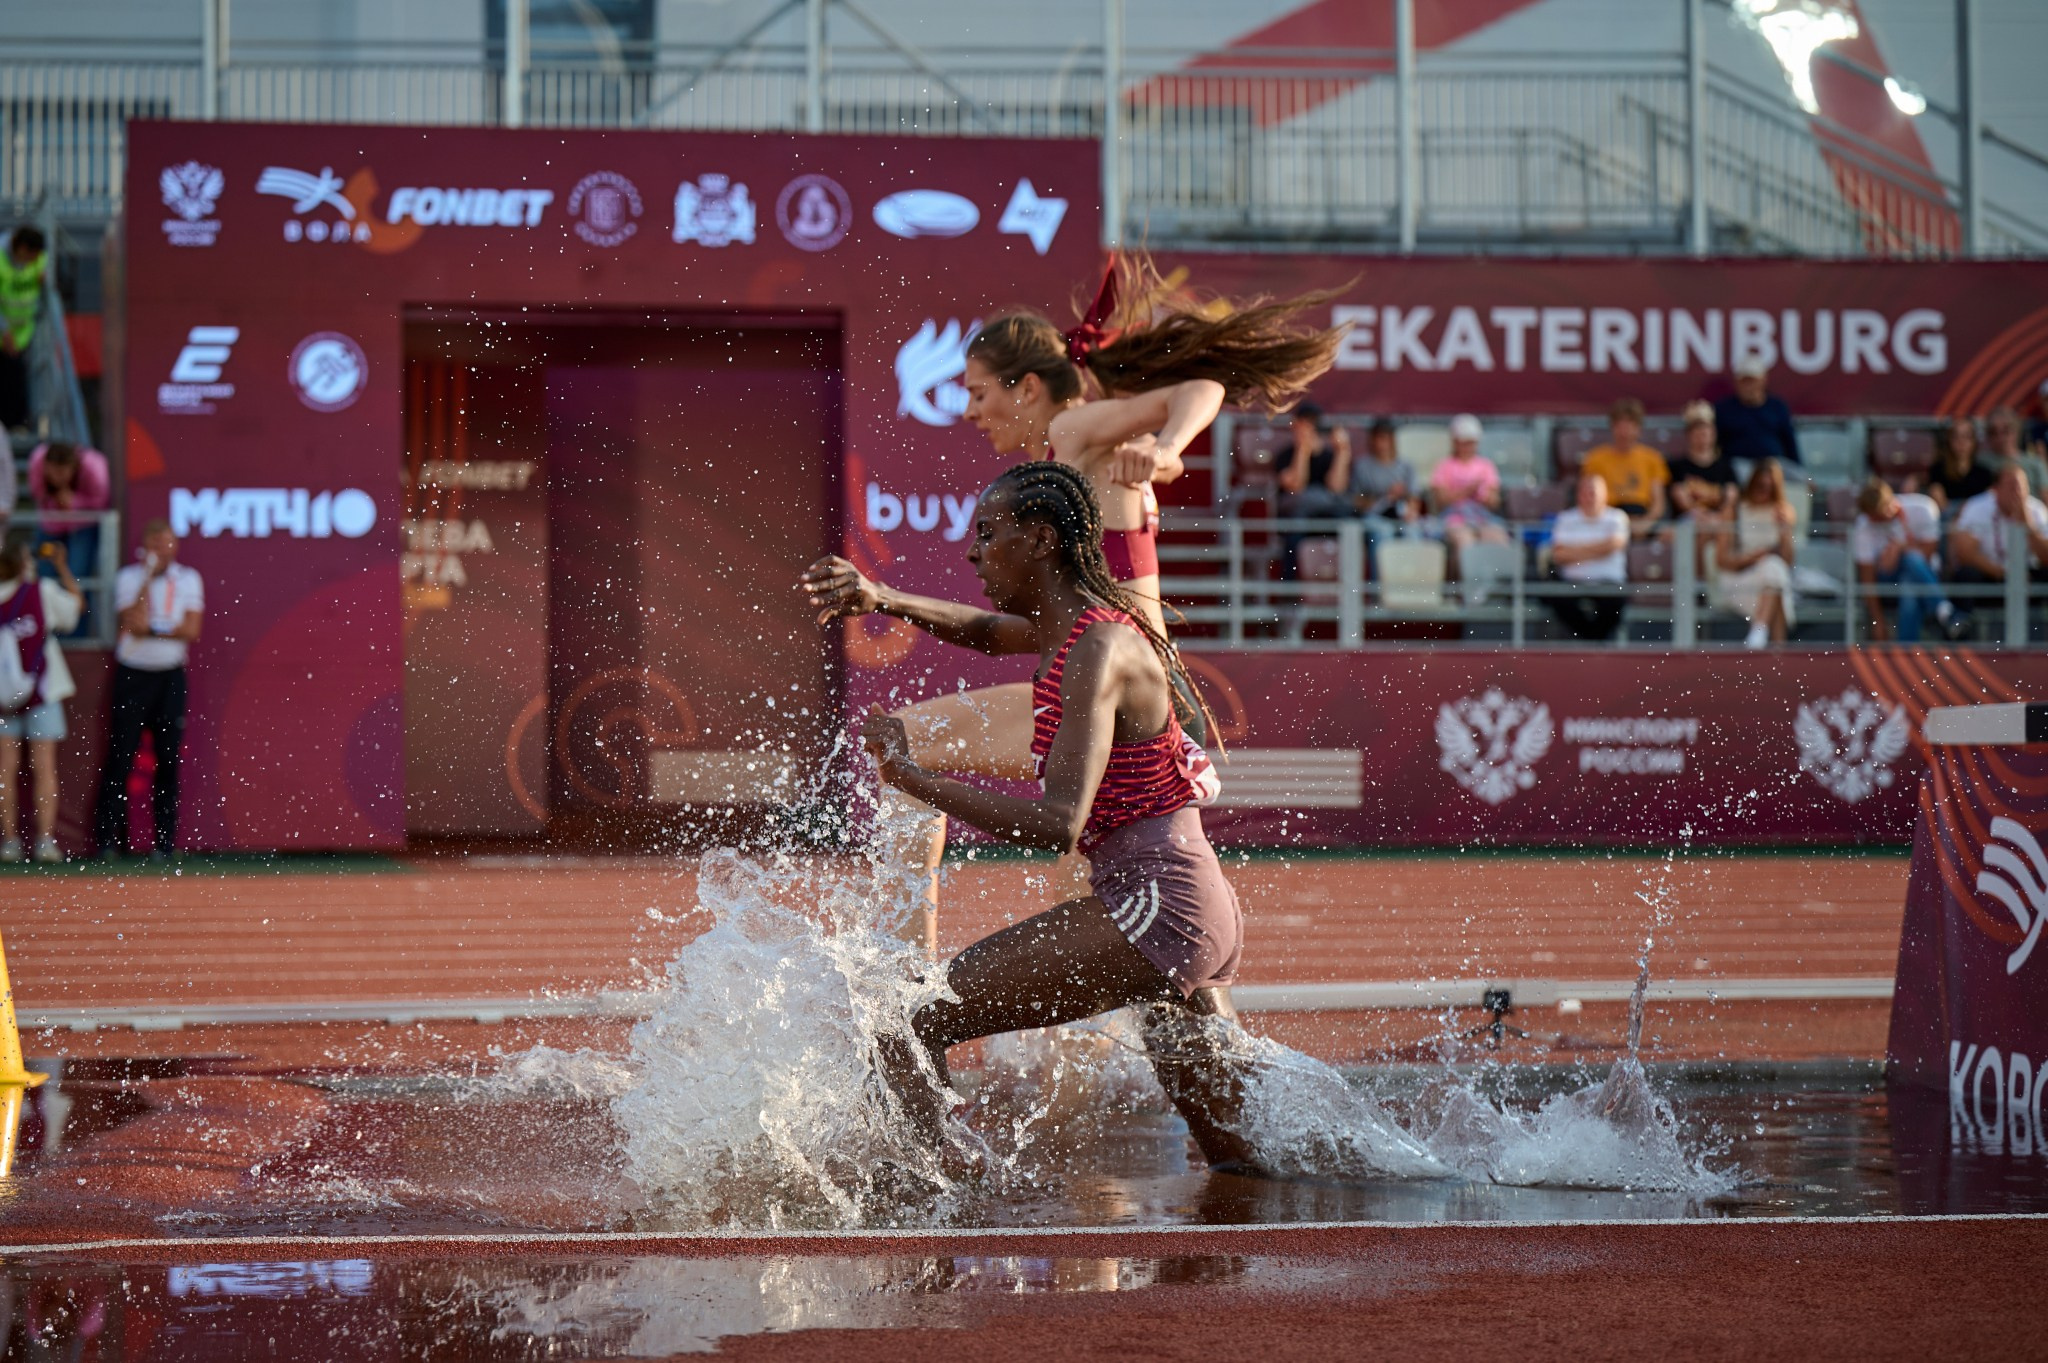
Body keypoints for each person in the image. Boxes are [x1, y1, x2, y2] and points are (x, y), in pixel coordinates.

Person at [883, 255, 1343, 954]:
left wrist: (1163, 447)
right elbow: (1018, 629)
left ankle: (901, 980)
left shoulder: (1074, 433)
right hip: (1119, 693)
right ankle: (942, 1002)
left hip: (1121, 696)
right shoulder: (1067, 463)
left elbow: (1200, 386)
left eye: (977, 392)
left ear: (1028, 386)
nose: (969, 410)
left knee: (906, 749)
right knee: (1099, 923)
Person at [800, 460, 1250, 1169]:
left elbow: (1058, 825)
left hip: (1157, 907)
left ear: (1040, 539)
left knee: (911, 1016)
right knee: (1241, 1153)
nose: (973, 552)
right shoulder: (1076, 630)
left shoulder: (1095, 648)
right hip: (1182, 904)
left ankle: (933, 1205)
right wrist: (878, 595)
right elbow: (981, 630)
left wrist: (914, 777)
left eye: (988, 534)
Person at [94, 520, 203, 861]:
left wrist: (154, 631)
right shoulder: (129, 577)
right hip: (133, 674)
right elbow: (131, 621)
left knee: (168, 761)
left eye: (166, 543)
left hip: (169, 676)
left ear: (176, 546)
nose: (161, 550)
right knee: (120, 758)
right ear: (145, 547)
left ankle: (164, 844)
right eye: (155, 544)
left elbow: (190, 628)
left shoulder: (188, 579)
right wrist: (147, 578)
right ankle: (108, 842)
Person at [0, 532, 81, 862]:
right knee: (44, 767)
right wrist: (62, 568)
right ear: (24, 563)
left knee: (5, 769)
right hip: (43, 690)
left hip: (2, 696)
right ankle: (45, 841)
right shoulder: (39, 591)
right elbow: (76, 610)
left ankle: (9, 843)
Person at [1852, 478, 1959, 644]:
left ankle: (1905, 651)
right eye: (1876, 517)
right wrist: (1878, 620)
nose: (1882, 519)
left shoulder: (1923, 508)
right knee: (1911, 564)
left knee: (1910, 582)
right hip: (1887, 580)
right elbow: (1868, 578)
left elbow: (1928, 554)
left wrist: (1901, 548)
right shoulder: (1863, 526)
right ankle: (1944, 610)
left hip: (1922, 574)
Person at [1947, 467, 2048, 634]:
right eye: (2011, 485)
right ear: (1995, 489)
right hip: (1991, 575)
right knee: (1965, 574)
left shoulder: (2037, 511)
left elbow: (2046, 556)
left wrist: (2028, 526)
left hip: (2027, 578)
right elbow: (1964, 552)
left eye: (2021, 486)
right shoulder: (1978, 506)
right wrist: (2001, 572)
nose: (2017, 492)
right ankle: (1960, 631)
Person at [27, 441, 112, 634]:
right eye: (52, 472)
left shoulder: (94, 467)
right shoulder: (37, 460)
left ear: (73, 468)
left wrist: (74, 503)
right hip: (51, 525)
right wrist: (55, 500)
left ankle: (75, 636)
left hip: (82, 527)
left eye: (62, 473)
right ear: (46, 466)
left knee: (77, 578)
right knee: (44, 577)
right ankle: (43, 631)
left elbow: (103, 502)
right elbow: (36, 492)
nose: (57, 478)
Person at [1713, 459, 1798, 648]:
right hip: (1739, 577)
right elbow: (1721, 559)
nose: (1764, 492)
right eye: (1760, 486)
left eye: (1770, 488)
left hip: (1770, 576)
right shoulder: (1734, 510)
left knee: (1774, 571)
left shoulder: (1782, 511)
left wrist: (1785, 531)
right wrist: (1753, 558)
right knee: (1775, 580)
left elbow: (1788, 561)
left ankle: (1759, 634)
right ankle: (1778, 653)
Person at [1545, 473, 1631, 642]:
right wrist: (1599, 548)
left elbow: (1615, 544)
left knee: (1615, 602)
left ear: (1605, 494)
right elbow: (1559, 554)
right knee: (1556, 596)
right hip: (1572, 583)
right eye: (1586, 492)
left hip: (1610, 583)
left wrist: (1576, 550)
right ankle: (1594, 641)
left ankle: (1589, 641)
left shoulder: (1616, 517)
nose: (1589, 497)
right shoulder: (1566, 518)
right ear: (1578, 494)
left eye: (1594, 492)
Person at [1273, 401, 1353, 580]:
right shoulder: (1284, 456)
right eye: (1304, 423)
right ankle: (1290, 593)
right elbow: (1296, 486)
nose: (1309, 429)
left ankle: (1351, 591)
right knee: (1294, 531)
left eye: (1312, 423)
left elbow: (1337, 488)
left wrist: (1342, 451)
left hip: (1326, 516)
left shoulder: (1330, 455)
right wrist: (1303, 450)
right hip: (1296, 519)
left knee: (1350, 526)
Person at [1429, 414, 1511, 568]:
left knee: (1498, 539)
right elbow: (1441, 500)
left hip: (1481, 517)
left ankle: (1496, 587)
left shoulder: (1486, 466)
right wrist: (1467, 491)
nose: (1467, 447)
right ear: (1455, 442)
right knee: (1466, 542)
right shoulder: (1444, 465)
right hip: (1454, 518)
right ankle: (1469, 588)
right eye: (1464, 443)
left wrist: (1487, 498)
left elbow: (1494, 500)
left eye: (1471, 443)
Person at [1578, 397, 1668, 533]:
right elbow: (1590, 497)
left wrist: (1646, 523)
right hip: (1608, 518)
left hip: (1642, 516)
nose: (1625, 431)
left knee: (1671, 536)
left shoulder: (1652, 458)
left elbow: (1658, 503)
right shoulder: (1595, 458)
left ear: (1638, 428)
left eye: (1630, 424)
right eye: (1620, 424)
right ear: (1612, 427)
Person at [0, 225, 48, 433]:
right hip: (5, 333)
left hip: (23, 333)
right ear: (20, 248)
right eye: (31, 255)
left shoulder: (39, 260)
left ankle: (15, 424)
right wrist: (4, 331)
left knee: (17, 381)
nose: (33, 260)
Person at [1712, 355, 1800, 467]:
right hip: (1738, 465)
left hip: (1773, 463)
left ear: (1763, 380)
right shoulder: (1724, 409)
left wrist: (1800, 470)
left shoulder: (1777, 407)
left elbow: (1790, 443)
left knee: (1802, 478)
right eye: (1744, 381)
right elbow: (1714, 445)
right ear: (1737, 382)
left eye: (1752, 381)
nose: (1748, 386)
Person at [1665, 400, 1739, 521]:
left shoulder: (1726, 466)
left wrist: (1716, 519)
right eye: (1696, 429)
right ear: (1688, 434)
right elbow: (1682, 501)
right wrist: (1706, 519)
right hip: (1691, 523)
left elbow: (1731, 498)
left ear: (1713, 432)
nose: (1702, 432)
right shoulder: (1677, 466)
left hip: (1719, 524)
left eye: (1706, 428)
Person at [1349, 418, 1419, 526]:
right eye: (1380, 437)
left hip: (1401, 516)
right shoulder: (1362, 467)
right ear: (1372, 439)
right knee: (1383, 532)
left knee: (1413, 531)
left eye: (1387, 437)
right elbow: (1356, 500)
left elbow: (1414, 498)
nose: (1384, 443)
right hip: (1374, 517)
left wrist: (1408, 507)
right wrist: (1385, 498)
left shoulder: (1406, 466)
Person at [1928, 415, 1995, 513]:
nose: (1961, 442)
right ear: (1949, 441)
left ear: (1974, 442)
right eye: (1956, 437)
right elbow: (1939, 503)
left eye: (1966, 437)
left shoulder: (1984, 473)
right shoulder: (1938, 469)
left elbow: (1988, 503)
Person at [1985, 406, 2048, 493]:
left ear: (2016, 430)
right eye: (1993, 432)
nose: (2000, 437)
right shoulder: (1981, 463)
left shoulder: (2035, 463)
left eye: (2006, 430)